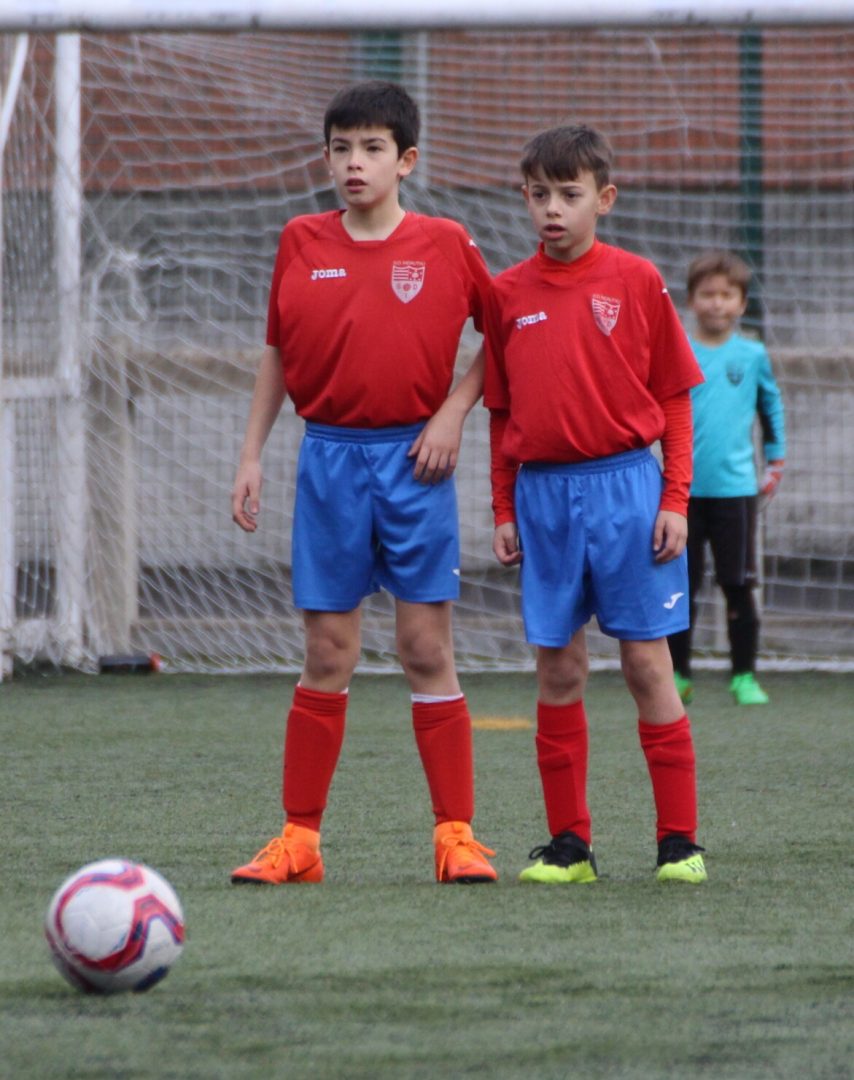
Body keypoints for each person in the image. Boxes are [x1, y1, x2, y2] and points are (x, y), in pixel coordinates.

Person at [230, 81, 497, 886]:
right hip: (330, 462)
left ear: (405, 160)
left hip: (415, 464)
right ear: (325, 157)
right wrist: (251, 455)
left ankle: (456, 837)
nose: (355, 162)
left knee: (425, 648)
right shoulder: (299, 240)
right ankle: (299, 841)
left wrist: (452, 413)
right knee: (327, 651)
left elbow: (506, 333)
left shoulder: (446, 243)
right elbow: (278, 353)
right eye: (341, 148)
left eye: (372, 148)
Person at [484, 124, 707, 884]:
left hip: (628, 491)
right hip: (544, 499)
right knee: (558, 670)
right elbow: (501, 415)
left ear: (603, 199)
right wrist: (503, 508)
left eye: (569, 195)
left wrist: (675, 498)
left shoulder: (637, 280)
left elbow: (674, 400)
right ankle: (570, 846)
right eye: (539, 194)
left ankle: (679, 842)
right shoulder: (507, 294)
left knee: (647, 664)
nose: (552, 209)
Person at [667, 251, 786, 706]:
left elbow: (770, 408)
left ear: (741, 303)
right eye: (707, 294)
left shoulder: (752, 354)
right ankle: (678, 674)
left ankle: (744, 675)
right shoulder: (677, 349)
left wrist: (774, 461)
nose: (717, 303)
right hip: (680, 492)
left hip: (735, 492)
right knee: (680, 586)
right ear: (691, 300)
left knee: (738, 584)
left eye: (726, 294)